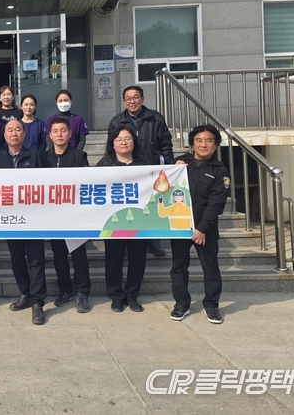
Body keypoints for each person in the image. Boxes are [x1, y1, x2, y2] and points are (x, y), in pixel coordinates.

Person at [169, 125, 230, 324]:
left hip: (205, 228)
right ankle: (181, 303)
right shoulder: (180, 163)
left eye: (209, 140)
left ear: (215, 145)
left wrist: (202, 229)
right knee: (178, 266)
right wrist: (172, 166)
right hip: (180, 225)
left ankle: (211, 305)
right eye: (199, 140)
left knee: (210, 267)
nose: (203, 144)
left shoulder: (219, 170)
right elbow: (162, 184)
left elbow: (216, 203)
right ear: (192, 144)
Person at [0, 120, 47, 325]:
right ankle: (25, 293)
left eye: (18, 129)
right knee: (16, 258)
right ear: (4, 135)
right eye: (10, 130)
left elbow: (44, 185)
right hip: (10, 218)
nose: (14, 133)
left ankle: (38, 302)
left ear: (24, 134)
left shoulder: (34, 156)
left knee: (36, 259)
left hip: (33, 217)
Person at [108, 85, 174, 257]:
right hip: (125, 172)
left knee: (150, 206)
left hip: (150, 171)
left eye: (136, 97)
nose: (132, 101)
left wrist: (170, 167)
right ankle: (125, 239)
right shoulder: (116, 121)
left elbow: (166, 144)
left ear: (142, 99)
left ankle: (153, 240)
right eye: (128, 99)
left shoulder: (155, 118)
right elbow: (111, 148)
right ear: (124, 102)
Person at [39, 118, 91, 313]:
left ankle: (82, 291)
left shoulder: (79, 156)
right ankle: (65, 289)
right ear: (50, 135)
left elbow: (86, 183)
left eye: (63, 130)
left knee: (79, 255)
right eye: (55, 131)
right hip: (54, 216)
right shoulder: (42, 159)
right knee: (59, 255)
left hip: (75, 215)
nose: (59, 134)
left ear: (70, 134)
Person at [96, 125, 149, 313]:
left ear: (134, 142)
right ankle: (116, 296)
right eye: (119, 139)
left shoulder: (144, 165)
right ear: (113, 144)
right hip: (113, 221)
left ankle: (132, 295)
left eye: (127, 139)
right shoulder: (105, 164)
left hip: (139, 221)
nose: (123, 142)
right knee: (113, 260)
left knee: (138, 260)